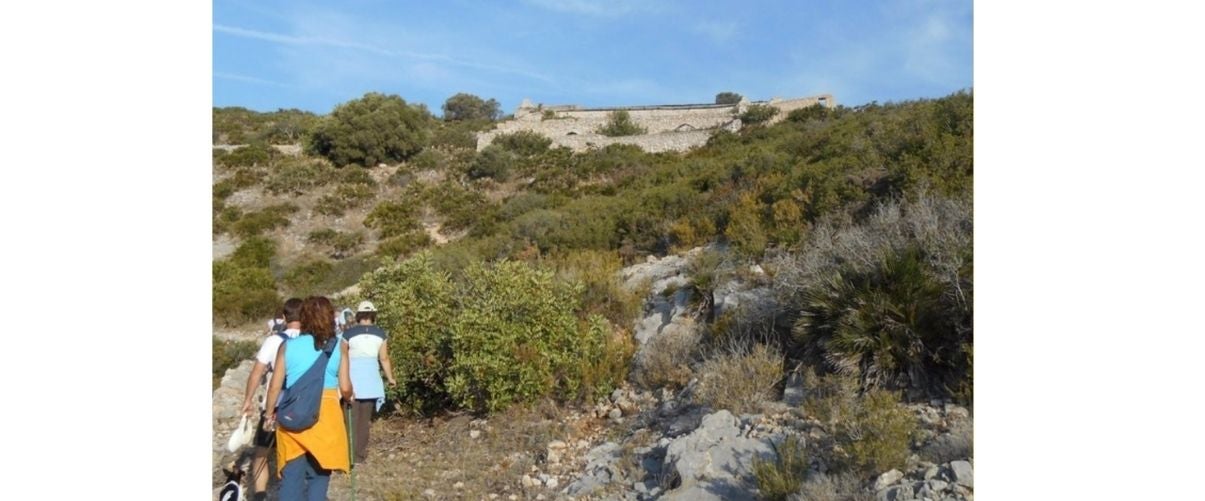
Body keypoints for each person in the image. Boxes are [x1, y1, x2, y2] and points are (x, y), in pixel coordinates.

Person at [264, 296, 353, 501]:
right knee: (319, 477)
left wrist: (270, 414)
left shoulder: (287, 347)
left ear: (304, 317)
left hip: (294, 413)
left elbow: (275, 387)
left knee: (291, 476)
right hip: (326, 416)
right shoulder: (340, 346)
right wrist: (348, 397)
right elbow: (345, 387)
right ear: (331, 317)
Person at [240, 298, 303, 501]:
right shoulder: (312, 341)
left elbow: (257, 372)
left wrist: (248, 399)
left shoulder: (274, 341)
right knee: (296, 453)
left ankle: (260, 494)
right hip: (302, 404)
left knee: (261, 453)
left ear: (283, 318)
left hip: (274, 405)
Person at [340, 300, 397, 465]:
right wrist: (390, 377)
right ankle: (359, 456)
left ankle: (347, 456)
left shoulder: (348, 334)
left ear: (358, 315)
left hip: (352, 379)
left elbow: (342, 356)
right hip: (371, 380)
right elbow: (384, 358)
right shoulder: (380, 334)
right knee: (364, 422)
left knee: (350, 419)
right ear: (373, 315)